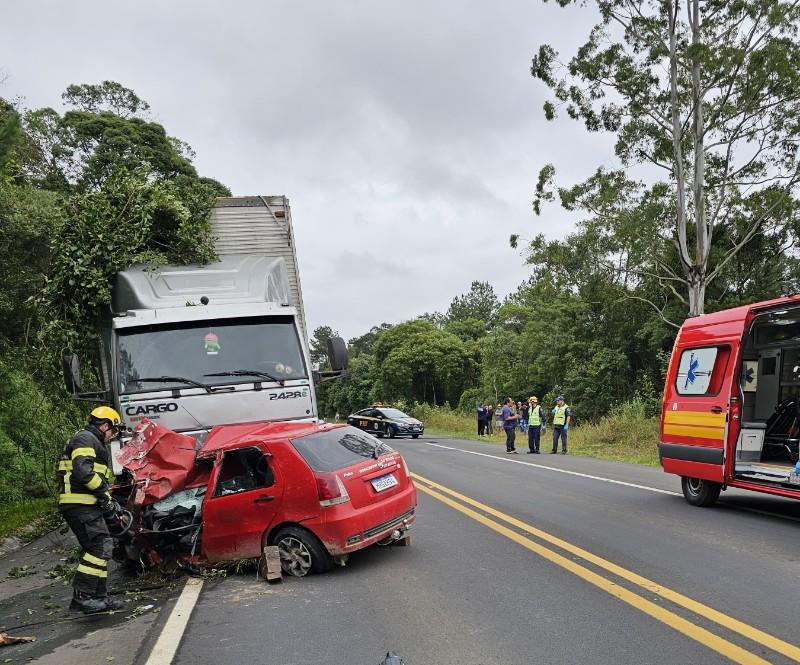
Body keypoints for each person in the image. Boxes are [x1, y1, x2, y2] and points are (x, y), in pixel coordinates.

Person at [57, 406, 126, 614]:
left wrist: (107, 501)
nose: (112, 435)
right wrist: (105, 497)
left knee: (101, 548)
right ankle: (83, 597)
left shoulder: (90, 440)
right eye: (113, 431)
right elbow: (84, 473)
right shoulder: (86, 439)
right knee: (99, 546)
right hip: (80, 503)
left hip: (87, 503)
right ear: (105, 425)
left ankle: (99, 597)